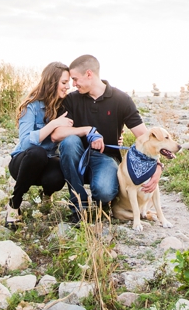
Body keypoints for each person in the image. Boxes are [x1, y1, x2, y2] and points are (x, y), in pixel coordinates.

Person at [52, 54, 162, 223]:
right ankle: (79, 206)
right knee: (69, 141)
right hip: (77, 155)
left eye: (75, 79)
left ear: (89, 74)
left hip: (106, 157)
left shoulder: (121, 99)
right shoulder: (71, 100)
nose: (73, 84)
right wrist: (88, 131)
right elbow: (57, 134)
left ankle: (101, 204)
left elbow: (145, 137)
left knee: (104, 191)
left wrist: (158, 167)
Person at [7, 62, 74, 220]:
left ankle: (46, 194)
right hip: (25, 162)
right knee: (38, 153)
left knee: (58, 174)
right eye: (64, 83)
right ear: (52, 83)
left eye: (69, 82)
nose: (68, 86)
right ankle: (14, 204)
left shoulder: (65, 106)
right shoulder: (31, 106)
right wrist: (53, 124)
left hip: (48, 162)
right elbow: (25, 144)